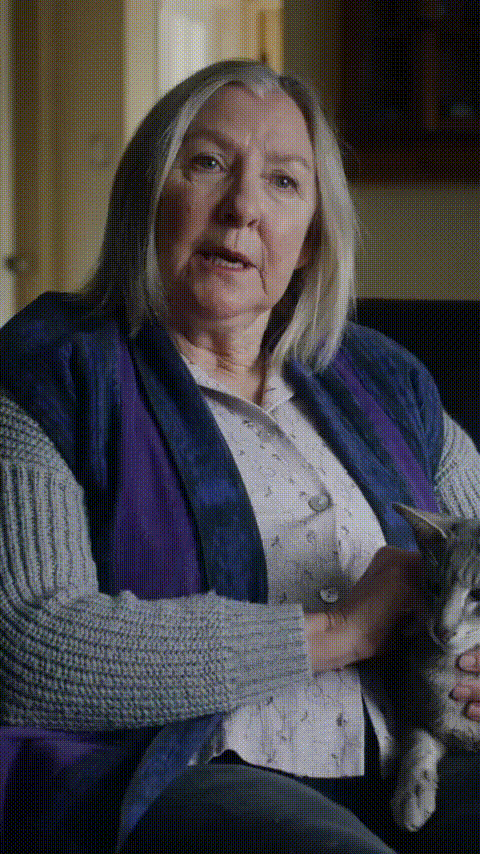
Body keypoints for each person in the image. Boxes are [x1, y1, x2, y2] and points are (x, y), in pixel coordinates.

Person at [0, 60, 479, 854]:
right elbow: (25, 642)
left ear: (311, 238)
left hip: (421, 763)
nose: (244, 208)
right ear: (149, 195)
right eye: (208, 164)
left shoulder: (386, 378)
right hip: (181, 772)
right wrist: (336, 632)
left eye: (285, 183)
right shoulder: (51, 370)